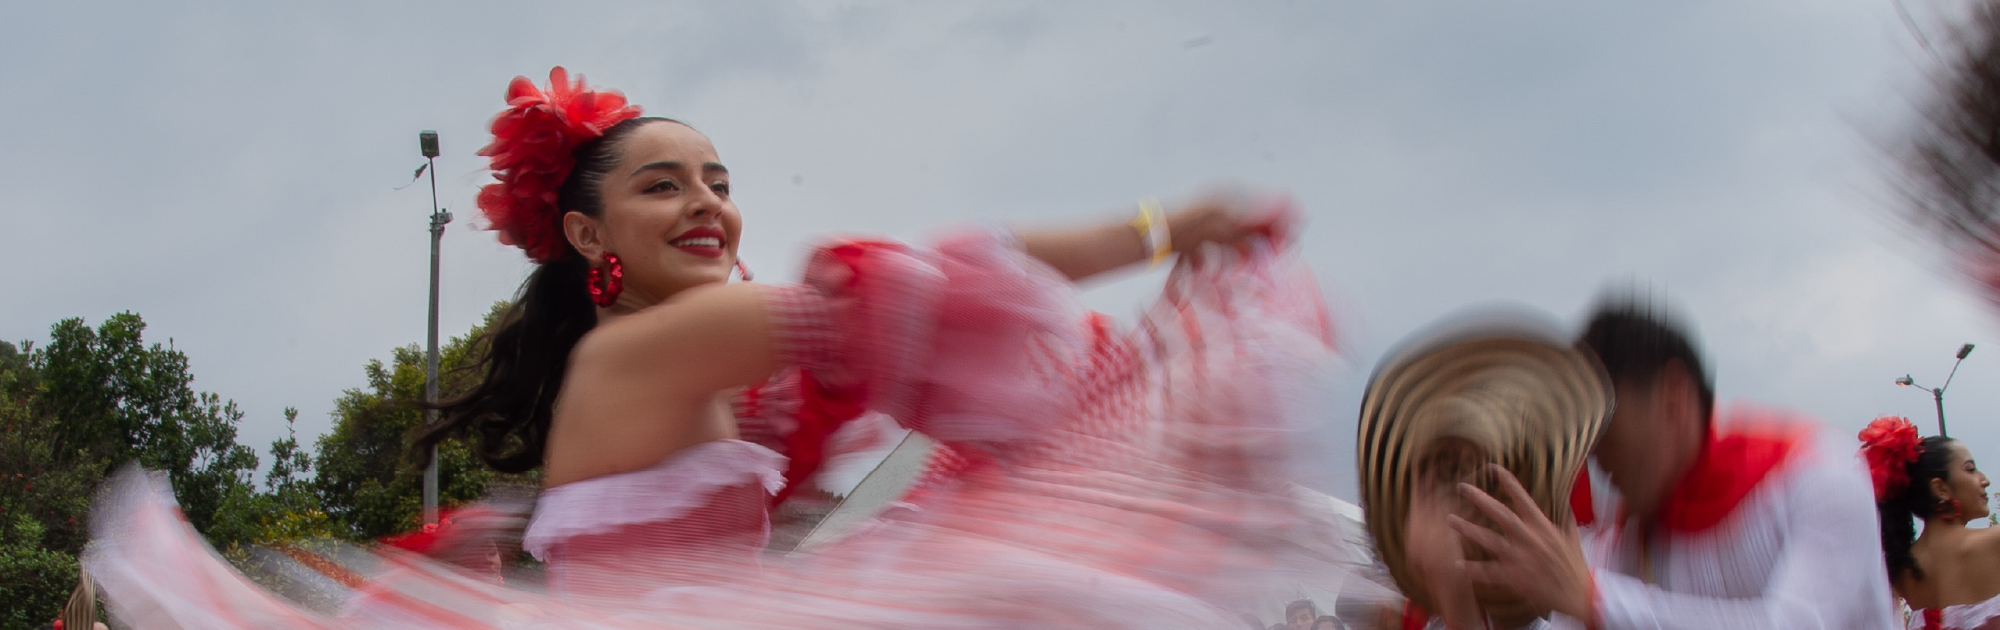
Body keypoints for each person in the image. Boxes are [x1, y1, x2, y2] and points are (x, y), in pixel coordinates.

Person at [82, 67, 1355, 630]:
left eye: (719, 178)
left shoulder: (712, 371)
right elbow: (954, 277)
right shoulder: (664, 351)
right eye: (662, 185)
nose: (708, 203)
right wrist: (1166, 222)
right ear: (587, 232)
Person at [1427, 297, 1898, 629]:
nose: (1592, 455)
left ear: (1674, 395)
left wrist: (1593, 599)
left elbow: (1800, 624)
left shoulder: (1819, 471)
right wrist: (1456, 593)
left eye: (1603, 427)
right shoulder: (1626, 542)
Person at [1859, 415, 2000, 629]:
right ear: (1940, 488)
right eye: (1970, 469)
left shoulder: (1900, 571)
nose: (1984, 480)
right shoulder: (1994, 542)